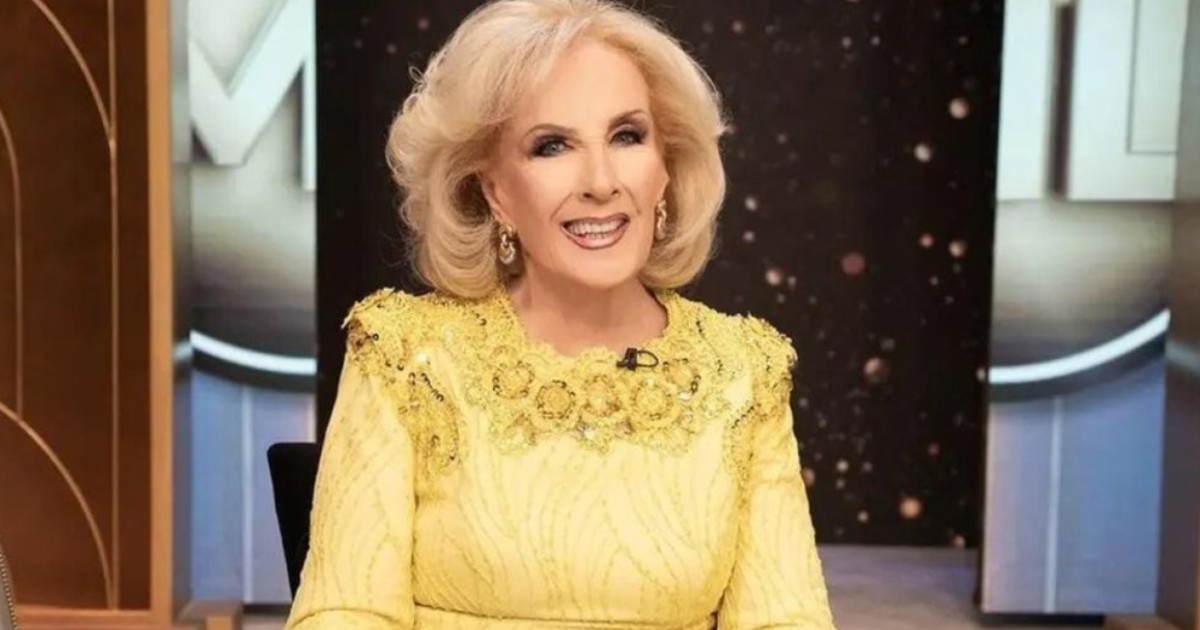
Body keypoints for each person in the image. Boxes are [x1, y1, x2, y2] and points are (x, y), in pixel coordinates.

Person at [285, 0, 836, 627]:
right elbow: (344, 611)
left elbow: (784, 618)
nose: (600, 181)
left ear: (665, 167)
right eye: (552, 146)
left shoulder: (745, 373)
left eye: (627, 136)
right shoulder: (406, 357)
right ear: (495, 191)